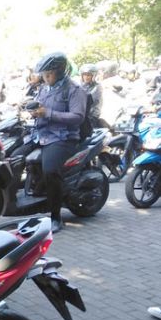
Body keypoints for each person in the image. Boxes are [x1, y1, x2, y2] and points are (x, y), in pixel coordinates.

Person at [29, 52, 87, 233]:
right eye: (44, 74)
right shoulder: (45, 88)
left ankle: (55, 216)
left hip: (62, 137)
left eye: (49, 74)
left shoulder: (74, 90)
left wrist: (48, 113)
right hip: (40, 133)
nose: (45, 77)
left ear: (60, 71)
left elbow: (78, 117)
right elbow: (41, 106)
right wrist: (32, 107)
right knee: (13, 156)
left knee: (50, 170)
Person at [80, 63, 103, 130]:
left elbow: (90, 100)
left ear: (94, 76)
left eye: (89, 75)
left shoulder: (97, 87)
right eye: (84, 75)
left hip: (92, 115)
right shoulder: (80, 86)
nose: (86, 77)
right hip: (81, 114)